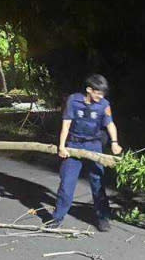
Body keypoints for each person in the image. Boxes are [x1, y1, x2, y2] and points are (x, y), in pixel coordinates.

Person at [50, 74, 122, 231]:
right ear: (89, 89)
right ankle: (57, 218)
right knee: (67, 183)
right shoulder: (73, 101)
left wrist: (115, 143)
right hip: (74, 146)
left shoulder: (104, 105)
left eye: (102, 93)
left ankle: (103, 218)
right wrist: (62, 146)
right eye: (98, 93)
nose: (100, 96)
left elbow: (110, 125)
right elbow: (66, 124)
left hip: (94, 146)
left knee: (98, 182)